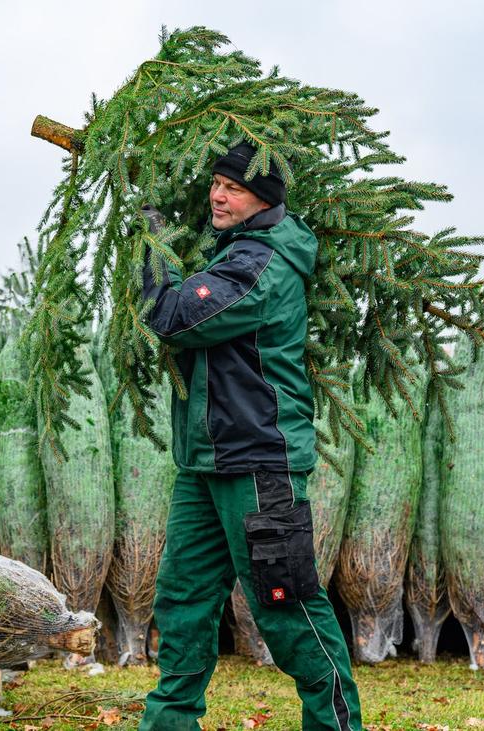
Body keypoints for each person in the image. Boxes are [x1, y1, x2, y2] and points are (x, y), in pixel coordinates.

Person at [137, 142, 363, 731]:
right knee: (183, 601)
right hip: (205, 463)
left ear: (263, 199)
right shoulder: (232, 251)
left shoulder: (259, 265)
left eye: (232, 188)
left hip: (258, 462)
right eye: (215, 182)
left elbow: (175, 317)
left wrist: (153, 239)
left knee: (285, 604)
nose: (217, 196)